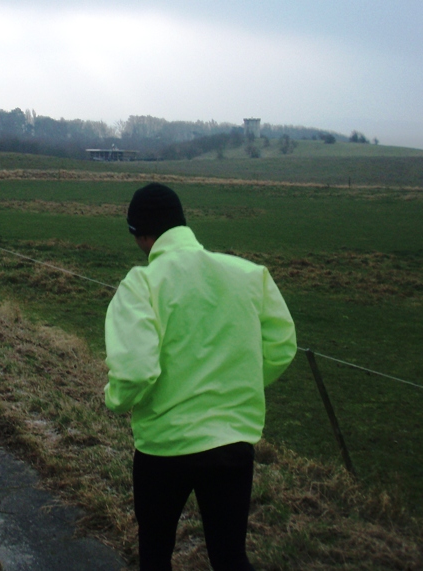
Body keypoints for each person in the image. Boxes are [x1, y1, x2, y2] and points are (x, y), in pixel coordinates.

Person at [103, 183, 297, 571]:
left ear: (141, 234)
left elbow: (137, 371)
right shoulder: (250, 275)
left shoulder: (141, 284)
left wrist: (113, 400)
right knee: (230, 556)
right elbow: (281, 347)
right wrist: (235, 387)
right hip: (232, 442)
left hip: (163, 447)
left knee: (155, 553)